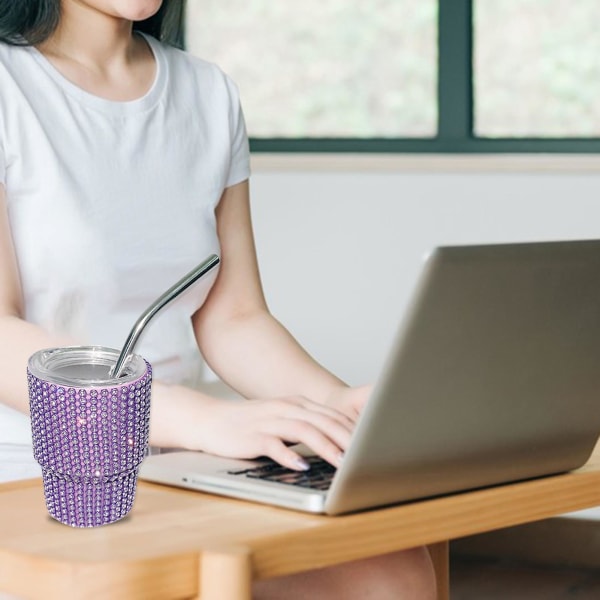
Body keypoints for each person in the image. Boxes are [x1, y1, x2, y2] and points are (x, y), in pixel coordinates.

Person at [0, 1, 437, 597]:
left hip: (180, 461)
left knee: (390, 571)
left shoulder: (206, 93)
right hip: (35, 472)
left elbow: (233, 316)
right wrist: (201, 418)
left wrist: (337, 409)